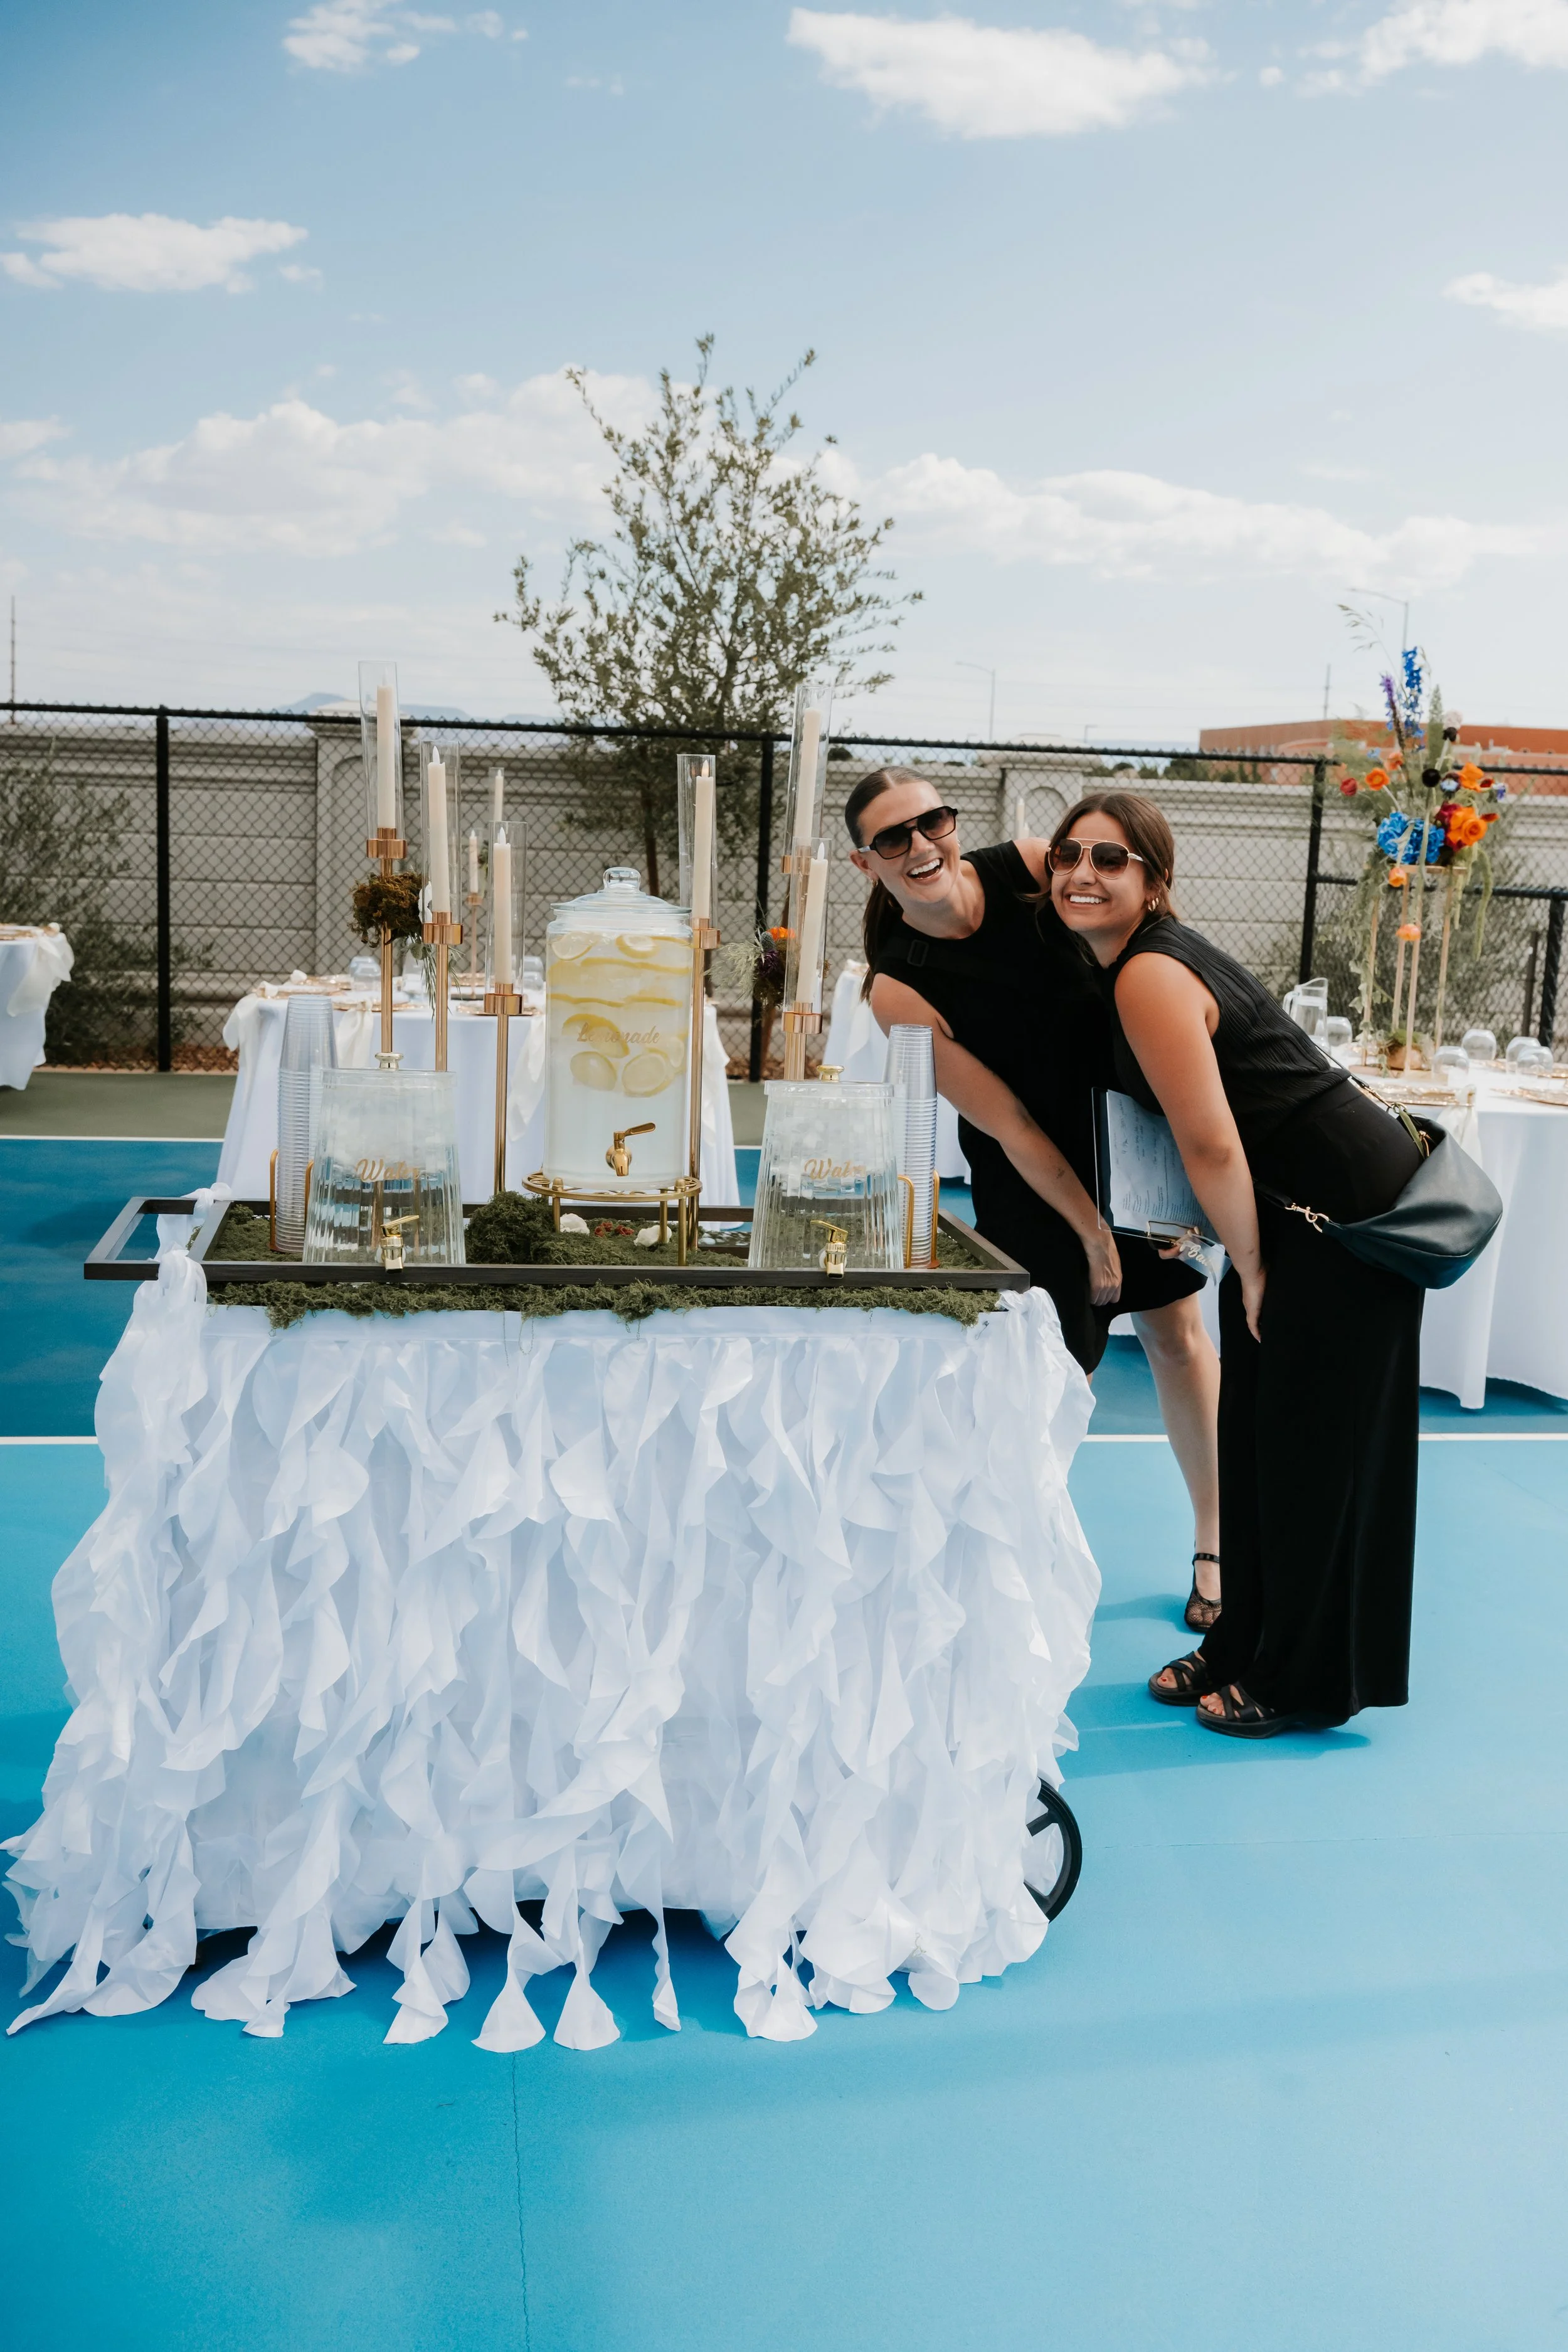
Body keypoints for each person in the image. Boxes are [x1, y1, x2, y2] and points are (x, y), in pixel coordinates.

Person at [1047, 788, 1424, 1737]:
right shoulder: (1126, 964)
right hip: (1289, 1210)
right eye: (1068, 856)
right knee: (1257, 1434)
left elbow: (1213, 1143)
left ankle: (1303, 1680)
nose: (1083, 873)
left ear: (1155, 881)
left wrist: (1252, 1270)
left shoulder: (1150, 975)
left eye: (1111, 858)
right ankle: (1241, 1640)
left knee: (1307, 1449)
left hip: (1339, 1209)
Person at [845, 766, 1222, 1625]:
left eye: (931, 820)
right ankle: (1014, 1571)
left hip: (1136, 1138)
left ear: (951, 819)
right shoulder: (897, 985)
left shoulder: (1028, 866)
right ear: (866, 862)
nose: (921, 845)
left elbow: (1144, 947)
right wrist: (1091, 1229)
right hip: (1031, 1182)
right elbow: (1010, 1122)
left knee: (1177, 1333)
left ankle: (1215, 1539)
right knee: (1044, 1375)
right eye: (893, 838)